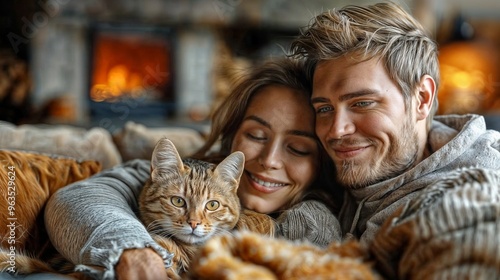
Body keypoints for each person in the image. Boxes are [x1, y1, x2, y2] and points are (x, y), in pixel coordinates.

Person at [44, 58, 342, 280]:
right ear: (232, 133)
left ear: (322, 159)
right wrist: (132, 251)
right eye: (256, 135)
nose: (269, 160)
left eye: (299, 148)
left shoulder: (317, 224)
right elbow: (76, 200)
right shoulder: (178, 172)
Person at [289, 2, 500, 279]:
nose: (336, 131)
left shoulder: (468, 199)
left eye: (363, 103)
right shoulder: (326, 170)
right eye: (324, 108)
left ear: (422, 98)